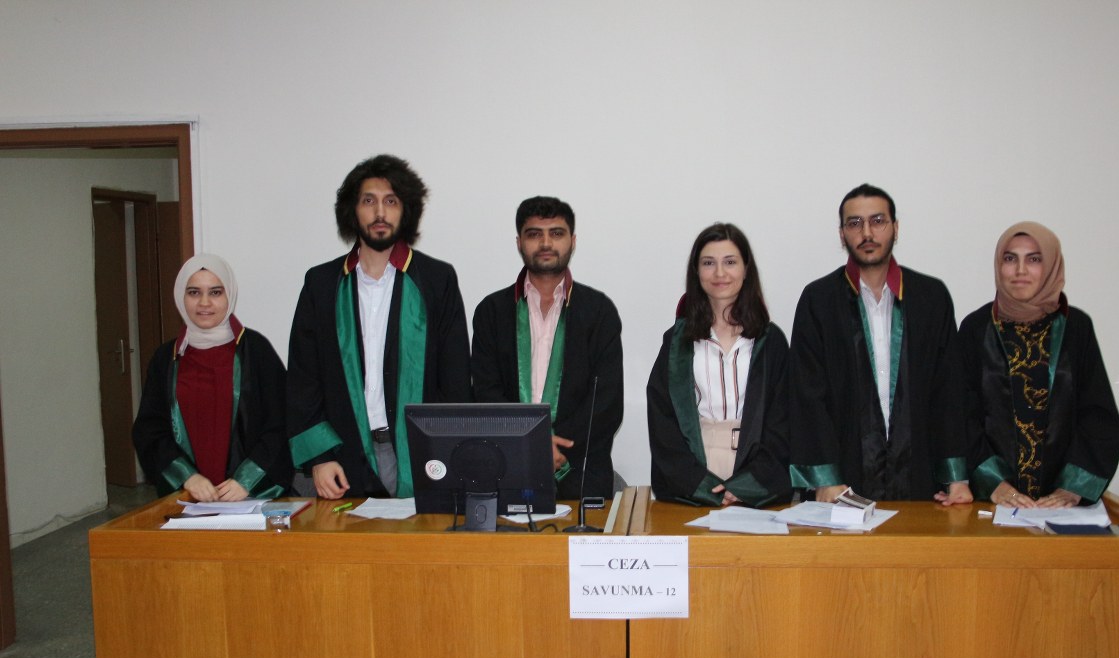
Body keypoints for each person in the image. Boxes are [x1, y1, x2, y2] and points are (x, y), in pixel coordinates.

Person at [287, 154, 471, 499]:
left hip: (421, 454)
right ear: (352, 211)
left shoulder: (436, 280)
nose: (380, 213)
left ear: (406, 210)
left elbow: (455, 378)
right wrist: (320, 457)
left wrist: (446, 451)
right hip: (342, 457)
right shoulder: (321, 284)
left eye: (391, 201)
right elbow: (303, 378)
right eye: (368, 201)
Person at [789, 184, 971, 504]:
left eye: (877, 221)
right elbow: (807, 397)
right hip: (842, 481)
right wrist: (824, 480)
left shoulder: (931, 297)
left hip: (920, 477)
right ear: (842, 234)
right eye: (855, 223)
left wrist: (956, 477)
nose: (867, 233)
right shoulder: (819, 300)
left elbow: (948, 392)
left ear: (895, 228)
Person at [959, 222, 1119, 507]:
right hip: (992, 501)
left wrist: (1072, 487)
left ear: (1051, 266)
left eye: (1034, 259)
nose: (1020, 270)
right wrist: (993, 483)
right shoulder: (976, 328)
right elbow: (961, 415)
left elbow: (1097, 416)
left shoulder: (1075, 328)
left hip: (1059, 504)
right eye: (1010, 259)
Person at [471, 196, 623, 499]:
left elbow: (606, 402)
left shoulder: (599, 310)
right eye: (534, 234)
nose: (545, 243)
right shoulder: (492, 311)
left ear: (572, 241)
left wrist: (553, 446)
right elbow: (486, 393)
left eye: (556, 233)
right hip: (506, 468)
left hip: (581, 472)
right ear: (519, 243)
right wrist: (528, 444)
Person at [647, 223, 791, 507]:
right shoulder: (677, 342)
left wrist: (749, 485)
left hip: (756, 474)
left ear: (746, 269)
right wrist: (699, 484)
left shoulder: (770, 341)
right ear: (696, 272)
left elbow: (783, 421)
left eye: (730, 262)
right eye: (708, 263)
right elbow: (663, 422)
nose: (720, 273)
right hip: (693, 477)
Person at [133, 254, 292, 500]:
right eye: (194, 292)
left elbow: (281, 423)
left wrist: (247, 480)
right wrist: (187, 477)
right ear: (181, 296)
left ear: (229, 295)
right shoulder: (166, 358)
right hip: (187, 496)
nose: (204, 303)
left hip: (250, 496)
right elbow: (150, 429)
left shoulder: (256, 351)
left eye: (215, 292)